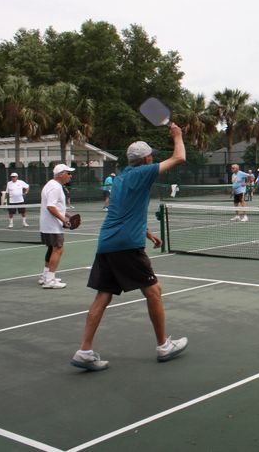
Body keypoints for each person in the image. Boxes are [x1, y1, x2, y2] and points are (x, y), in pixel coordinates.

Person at [70, 124, 188, 371]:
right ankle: (163, 346)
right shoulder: (143, 172)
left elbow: (124, 212)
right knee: (153, 290)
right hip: (126, 247)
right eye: (151, 156)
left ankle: (84, 351)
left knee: (103, 295)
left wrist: (147, 233)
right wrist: (177, 135)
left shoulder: (121, 178)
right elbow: (179, 157)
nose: (152, 158)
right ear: (145, 159)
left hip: (107, 243)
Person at [39, 164, 75, 289]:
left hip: (48, 224)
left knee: (51, 249)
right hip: (53, 225)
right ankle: (49, 280)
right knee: (58, 249)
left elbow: (57, 206)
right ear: (61, 175)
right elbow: (51, 207)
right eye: (68, 173)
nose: (70, 176)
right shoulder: (55, 187)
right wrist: (64, 221)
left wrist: (68, 216)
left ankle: (45, 276)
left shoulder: (51, 184)